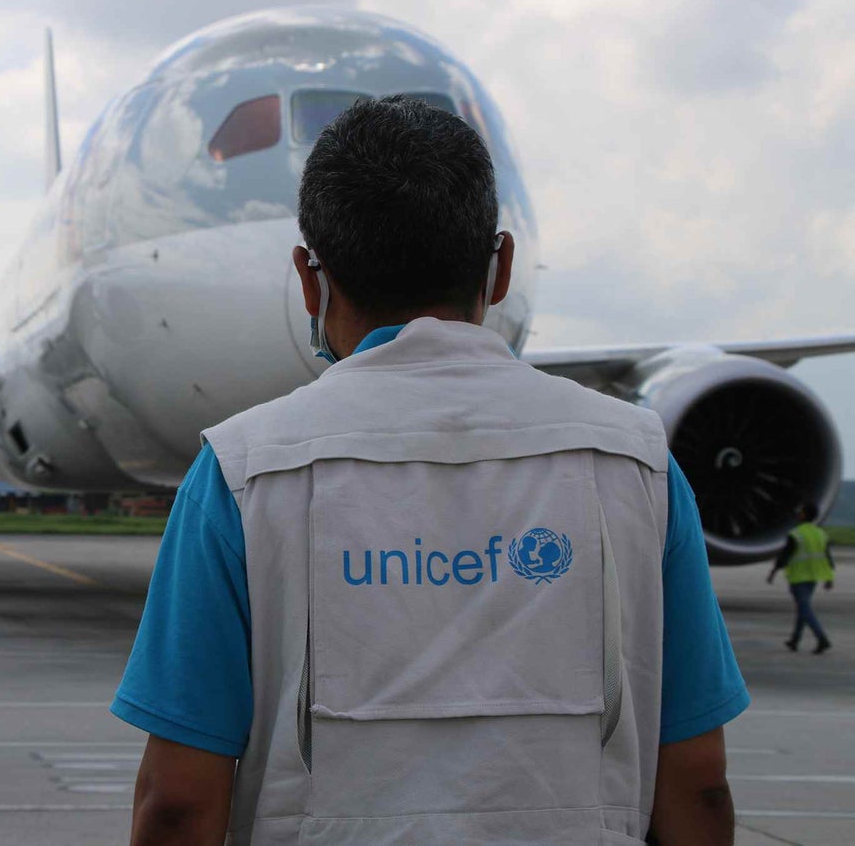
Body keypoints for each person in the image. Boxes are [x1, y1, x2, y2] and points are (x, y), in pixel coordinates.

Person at [112, 97, 748, 845]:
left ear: (309, 281)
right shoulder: (638, 464)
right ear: (501, 266)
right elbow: (697, 783)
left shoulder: (241, 474)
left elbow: (181, 801)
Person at [768, 503, 834, 654]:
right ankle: (795, 640)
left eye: (800, 512)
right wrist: (830, 578)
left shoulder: (796, 534)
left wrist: (773, 571)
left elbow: (785, 555)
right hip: (813, 577)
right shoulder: (821, 534)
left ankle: (821, 638)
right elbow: (828, 558)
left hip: (798, 578)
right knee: (803, 608)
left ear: (804, 515)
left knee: (805, 609)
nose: (798, 514)